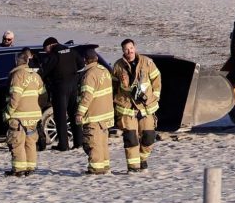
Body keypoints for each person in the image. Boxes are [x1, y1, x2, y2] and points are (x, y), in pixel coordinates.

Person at [112, 38, 161, 172]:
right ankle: (133, 167)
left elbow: (157, 80)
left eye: (131, 48)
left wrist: (154, 97)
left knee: (149, 137)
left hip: (146, 108)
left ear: (135, 48)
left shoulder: (147, 62)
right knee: (131, 139)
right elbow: (114, 86)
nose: (129, 51)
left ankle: (143, 159)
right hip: (127, 109)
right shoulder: (118, 66)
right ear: (123, 51)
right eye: (126, 49)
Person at [3, 49, 46, 176]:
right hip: (33, 116)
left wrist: (8, 112)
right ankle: (30, 167)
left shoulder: (17, 76)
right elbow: (43, 96)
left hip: (19, 116)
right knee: (30, 142)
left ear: (17, 61)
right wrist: (37, 108)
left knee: (17, 143)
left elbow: (15, 97)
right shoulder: (36, 76)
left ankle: (19, 169)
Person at [75, 47, 114, 175]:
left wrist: (80, 113)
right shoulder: (105, 71)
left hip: (94, 115)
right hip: (106, 114)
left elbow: (87, 97)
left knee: (93, 143)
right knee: (102, 142)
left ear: (85, 61)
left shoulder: (89, 75)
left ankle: (96, 168)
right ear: (96, 58)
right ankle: (104, 165)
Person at [41, 37, 83, 151]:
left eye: (45, 49)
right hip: (73, 87)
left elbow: (44, 72)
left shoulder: (54, 55)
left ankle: (63, 145)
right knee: (74, 114)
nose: (46, 52)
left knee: (60, 117)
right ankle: (79, 142)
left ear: (50, 45)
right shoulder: (71, 51)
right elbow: (81, 64)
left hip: (60, 88)